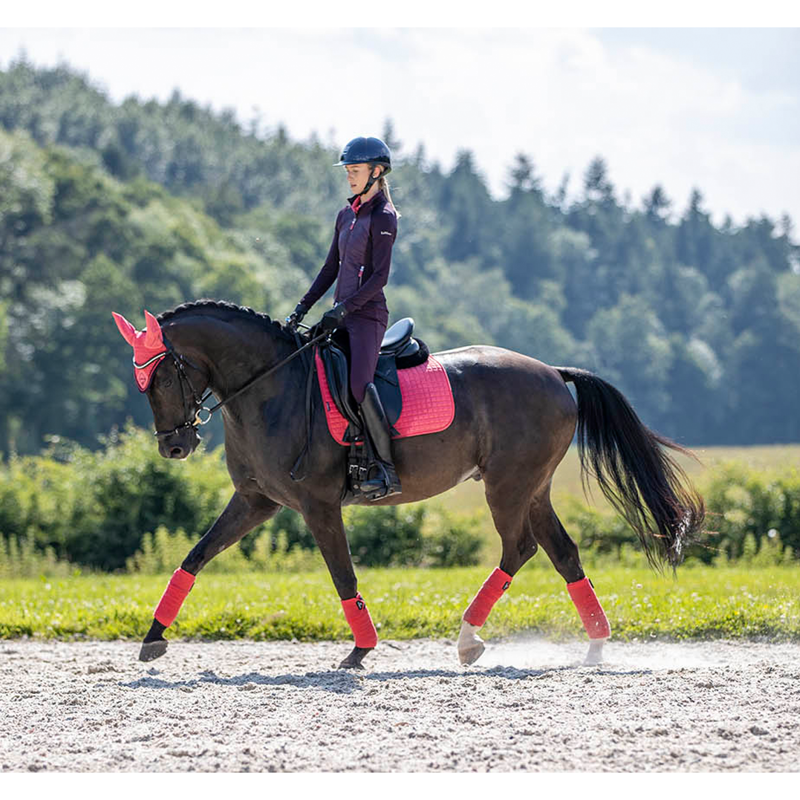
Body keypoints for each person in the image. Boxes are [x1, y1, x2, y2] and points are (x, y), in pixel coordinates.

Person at [286, 136, 402, 500]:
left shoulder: (383, 217)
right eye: (348, 171)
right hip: (341, 315)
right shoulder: (345, 215)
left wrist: (344, 309)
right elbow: (330, 269)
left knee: (358, 386)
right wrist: (302, 307)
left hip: (367, 317)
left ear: (376, 172)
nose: (349, 177)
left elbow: (378, 278)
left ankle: (386, 468)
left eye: (355, 171)